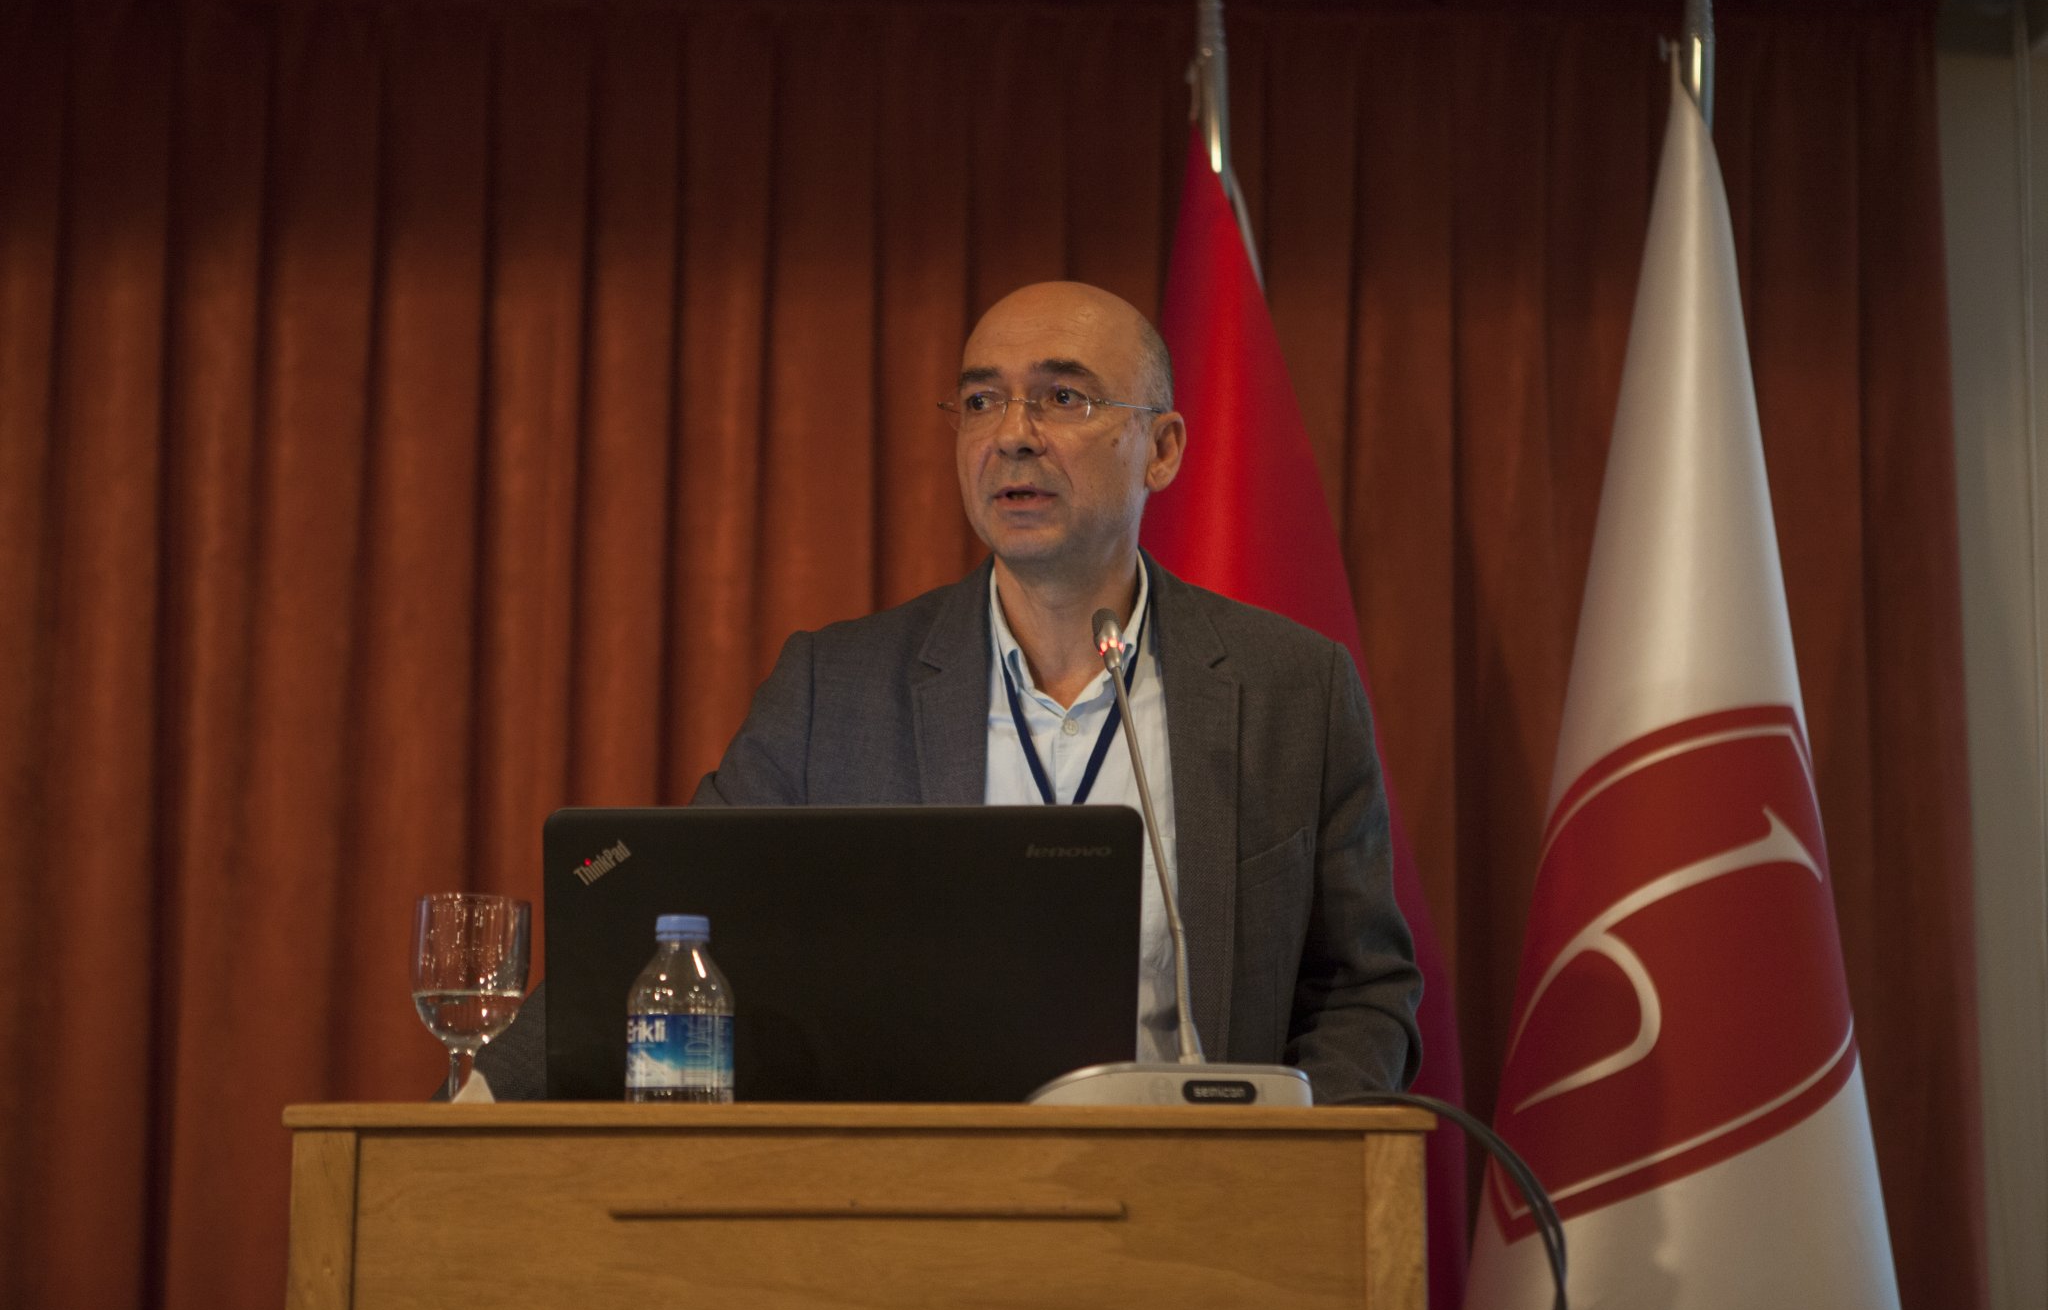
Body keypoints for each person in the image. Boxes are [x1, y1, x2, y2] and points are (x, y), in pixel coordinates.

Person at [471, 281, 1421, 1102]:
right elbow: (664, 929)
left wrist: (1292, 1160)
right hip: (920, 1203)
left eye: (1063, 397)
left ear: (1162, 449)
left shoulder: (1293, 688)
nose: (1013, 436)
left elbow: (1361, 989)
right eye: (980, 401)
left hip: (1196, 1200)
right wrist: (467, 1109)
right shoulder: (835, 690)